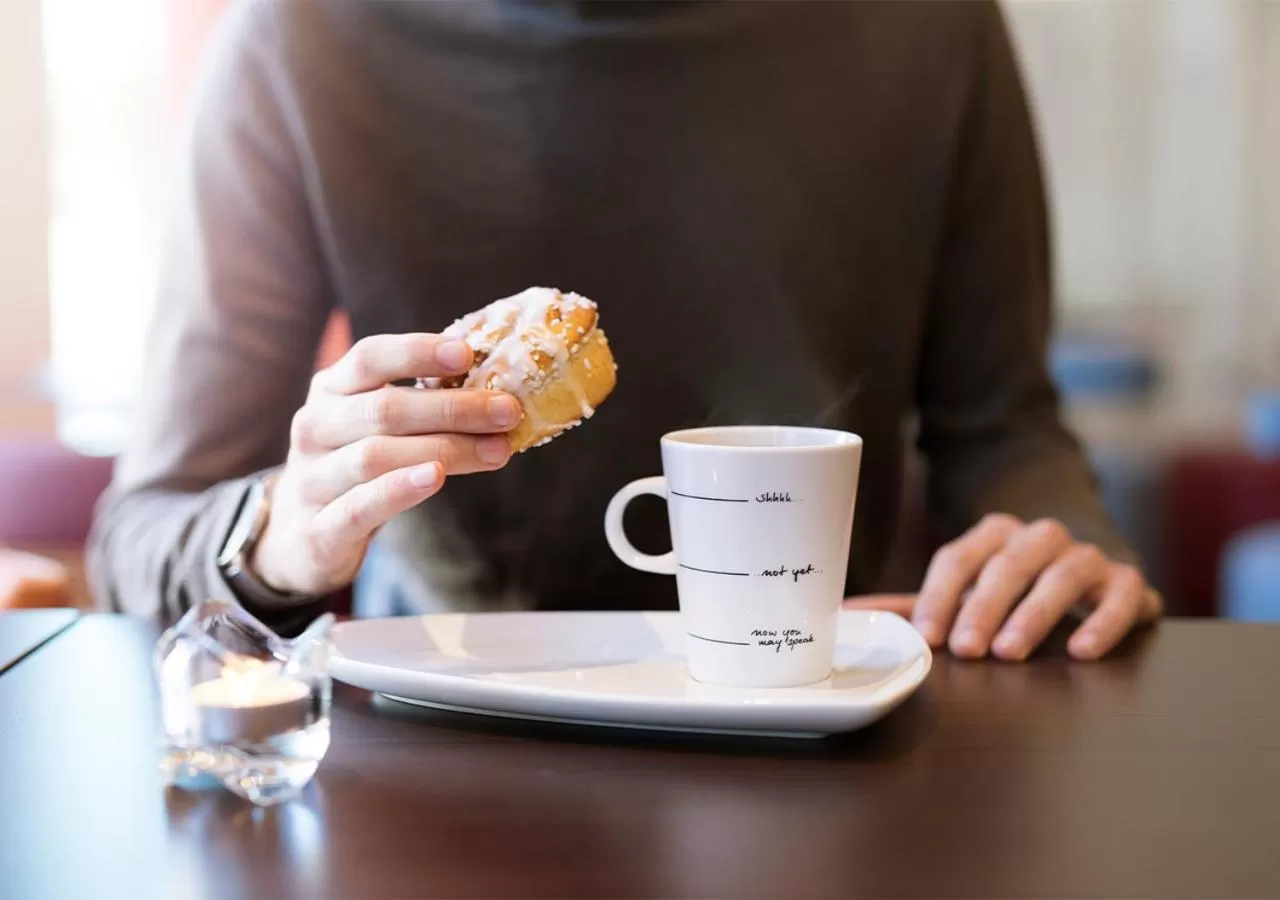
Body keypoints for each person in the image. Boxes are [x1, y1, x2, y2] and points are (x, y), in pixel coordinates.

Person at [88, 0, 1160, 662]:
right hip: (449, 726)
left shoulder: (930, 28)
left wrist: (1061, 554)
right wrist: (281, 536)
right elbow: (139, 539)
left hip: (811, 704)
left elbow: (1004, 427)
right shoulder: (298, 41)